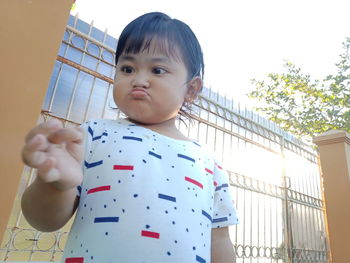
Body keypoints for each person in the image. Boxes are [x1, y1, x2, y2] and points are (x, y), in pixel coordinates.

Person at [21, 12, 239, 263]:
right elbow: (43, 221)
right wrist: (54, 184)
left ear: (191, 89)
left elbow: (220, 241)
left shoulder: (209, 164)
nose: (139, 79)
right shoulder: (90, 136)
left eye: (157, 70)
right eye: (127, 68)